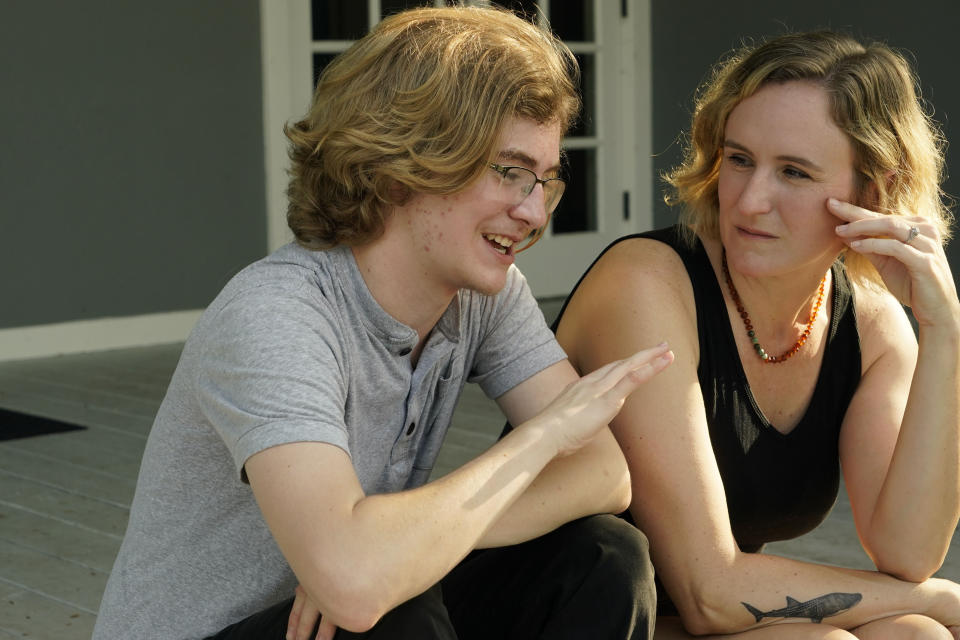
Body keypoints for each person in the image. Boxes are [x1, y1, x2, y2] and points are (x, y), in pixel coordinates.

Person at [91, 6, 674, 640]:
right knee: (392, 610)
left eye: (545, 180)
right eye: (509, 172)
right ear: (405, 165)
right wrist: (541, 439)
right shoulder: (276, 314)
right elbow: (360, 589)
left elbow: (605, 475)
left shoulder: (485, 293)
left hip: (343, 606)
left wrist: (387, 544)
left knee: (603, 557)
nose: (534, 212)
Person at [551, 31, 960, 639]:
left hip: (697, 614)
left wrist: (945, 331)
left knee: (913, 634)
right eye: (739, 159)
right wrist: (944, 598)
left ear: (872, 191)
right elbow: (709, 589)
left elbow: (906, 551)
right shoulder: (647, 285)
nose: (748, 201)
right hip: (569, 614)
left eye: (793, 172)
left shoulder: (870, 324)